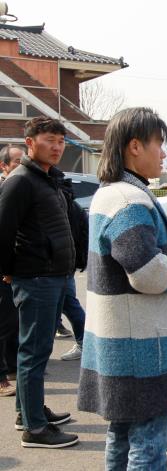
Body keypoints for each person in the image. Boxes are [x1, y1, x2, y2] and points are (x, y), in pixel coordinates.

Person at [78, 107, 167, 469]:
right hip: (140, 347)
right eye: (159, 144)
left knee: (122, 439)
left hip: (121, 341)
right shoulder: (129, 199)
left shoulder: (113, 193)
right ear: (135, 146)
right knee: (148, 447)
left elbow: (128, 255)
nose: (164, 153)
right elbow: (147, 272)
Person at [0, 118, 77, 448]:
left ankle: (28, 413)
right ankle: (35, 428)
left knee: (34, 350)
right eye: (50, 139)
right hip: (36, 277)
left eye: (61, 140)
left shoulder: (47, 180)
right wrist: (7, 270)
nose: (57, 146)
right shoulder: (20, 181)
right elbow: (2, 230)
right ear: (30, 143)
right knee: (34, 352)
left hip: (54, 276)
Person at [54, 175, 89, 361]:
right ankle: (86, 343)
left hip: (60, 264)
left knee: (68, 304)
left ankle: (86, 343)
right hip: (67, 263)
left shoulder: (61, 202)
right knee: (68, 304)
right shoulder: (70, 201)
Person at [0, 144, 24, 397]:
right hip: (4, 270)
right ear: (4, 166)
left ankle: (12, 367)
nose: (21, 164)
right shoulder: (4, 191)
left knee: (13, 322)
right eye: (16, 161)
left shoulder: (22, 188)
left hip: (19, 269)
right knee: (3, 323)